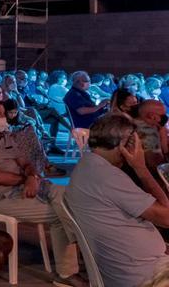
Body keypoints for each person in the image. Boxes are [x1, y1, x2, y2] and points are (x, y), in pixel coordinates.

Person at [0, 98, 84, 286]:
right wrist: (27, 179)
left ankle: (80, 241)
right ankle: (68, 271)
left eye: (4, 114)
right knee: (61, 215)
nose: (4, 118)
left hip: (24, 188)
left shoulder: (6, 135)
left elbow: (26, 162)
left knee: (66, 193)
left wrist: (32, 176)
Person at [66, 115, 169, 287]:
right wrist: (141, 168)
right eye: (134, 143)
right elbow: (166, 218)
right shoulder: (108, 177)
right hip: (146, 277)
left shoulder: (87, 166)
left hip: (134, 269)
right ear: (123, 144)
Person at [132, 100, 169, 173]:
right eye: (163, 115)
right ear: (152, 116)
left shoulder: (137, 121)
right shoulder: (148, 133)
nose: (165, 117)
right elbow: (157, 165)